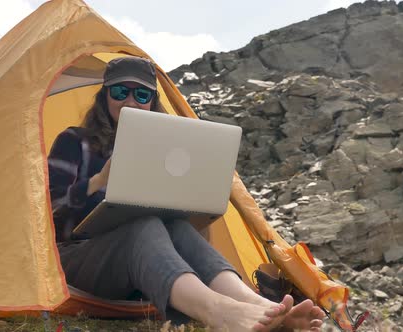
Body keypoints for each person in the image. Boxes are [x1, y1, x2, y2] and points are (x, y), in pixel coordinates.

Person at [47, 56, 325, 331]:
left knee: (175, 225)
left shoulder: (163, 151)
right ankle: (216, 312)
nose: (131, 101)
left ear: (152, 101)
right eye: (120, 92)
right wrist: (97, 181)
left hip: (144, 266)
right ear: (104, 96)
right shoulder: (74, 141)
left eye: (142, 94)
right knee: (142, 224)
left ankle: (258, 305)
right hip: (79, 259)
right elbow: (48, 211)